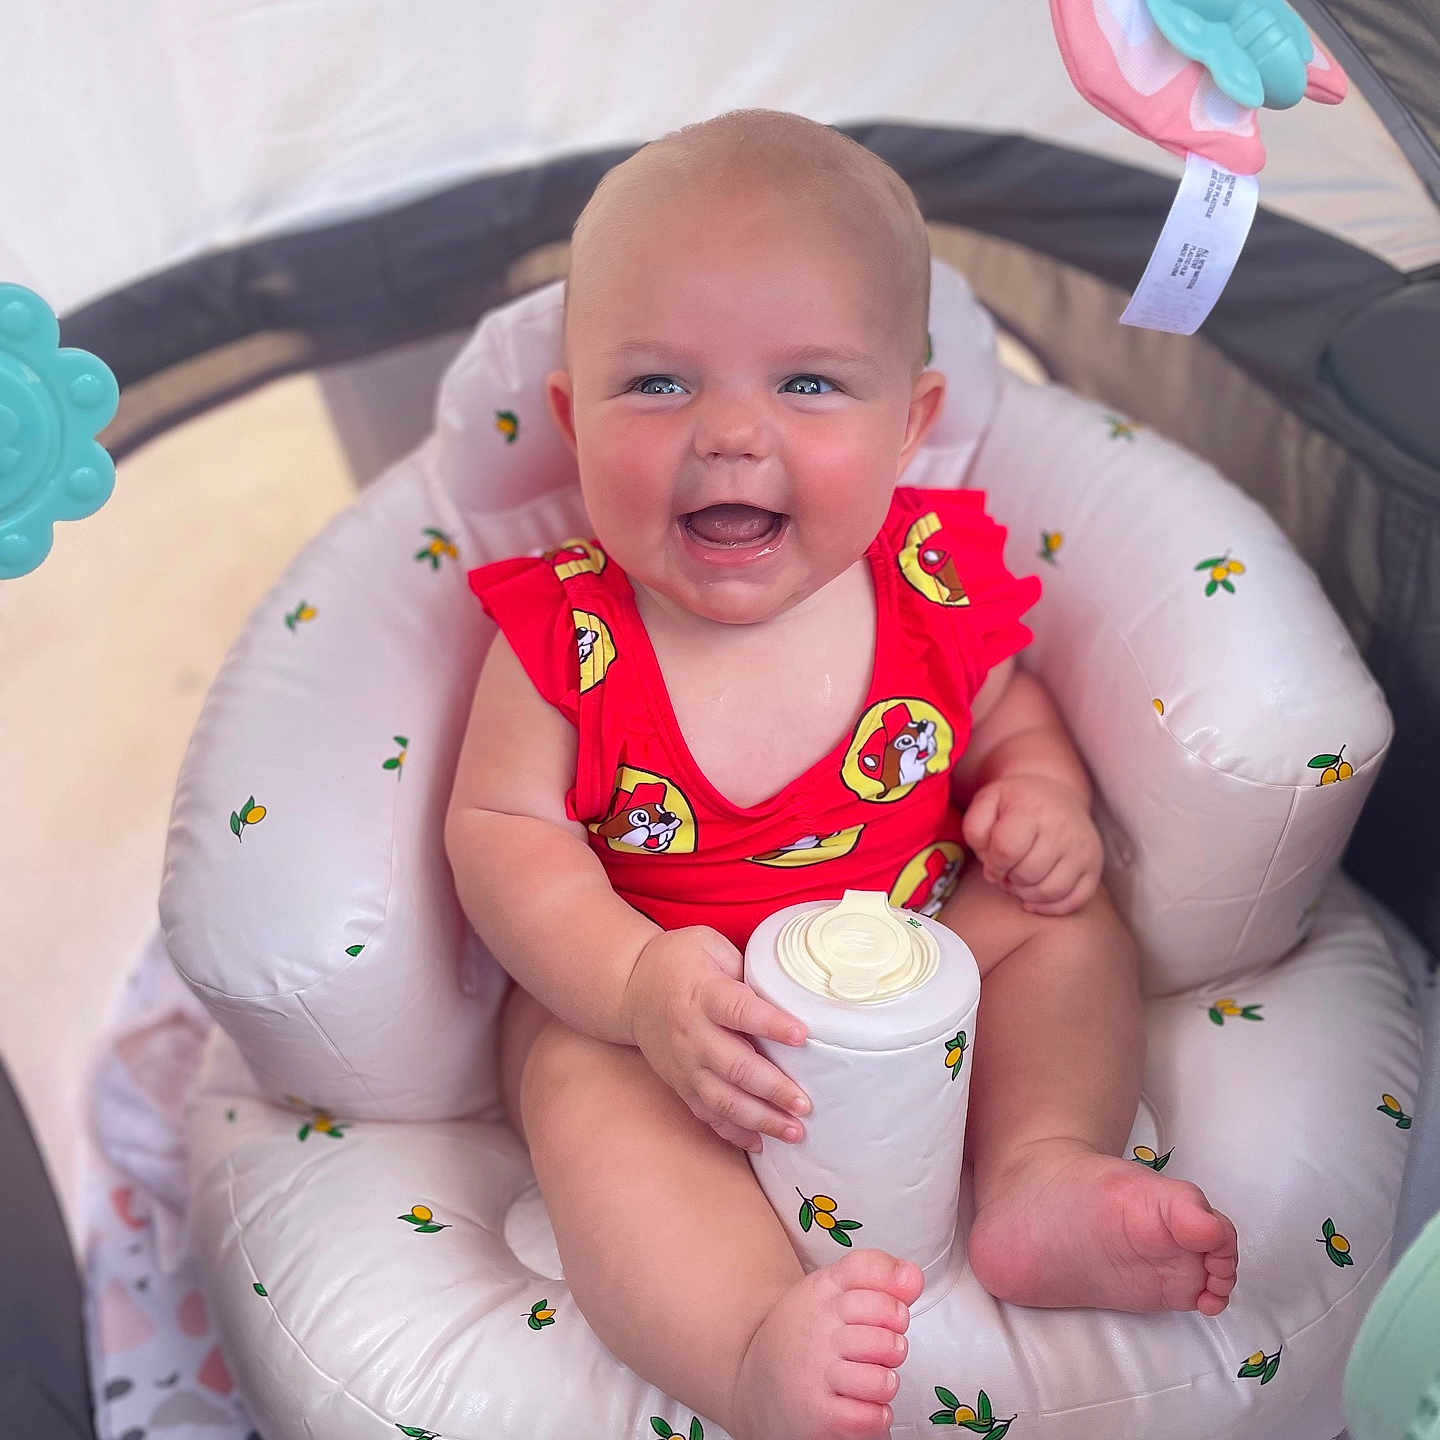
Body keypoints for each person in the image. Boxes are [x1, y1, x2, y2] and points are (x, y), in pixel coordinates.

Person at [445, 108, 1238, 1440]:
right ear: (573, 422)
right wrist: (635, 984)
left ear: (909, 422)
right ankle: (749, 1344)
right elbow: (500, 834)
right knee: (583, 1101)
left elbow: (1009, 710)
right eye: (659, 385)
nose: (732, 435)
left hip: (915, 947)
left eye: (808, 385)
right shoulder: (564, 636)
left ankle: (1042, 1166)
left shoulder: (928, 581)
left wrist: (1039, 791)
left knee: (1055, 923)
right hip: (666, 1010)